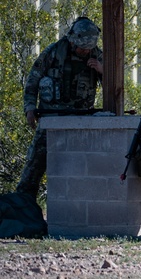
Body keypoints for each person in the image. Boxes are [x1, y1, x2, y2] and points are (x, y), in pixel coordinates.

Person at [18, 17, 104, 198]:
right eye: (81, 47)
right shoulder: (54, 52)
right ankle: (23, 205)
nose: (84, 51)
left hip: (81, 120)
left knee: (79, 165)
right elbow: (33, 79)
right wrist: (29, 108)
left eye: (87, 48)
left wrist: (102, 71)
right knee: (35, 163)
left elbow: (115, 89)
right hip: (51, 117)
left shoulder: (98, 56)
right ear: (73, 41)